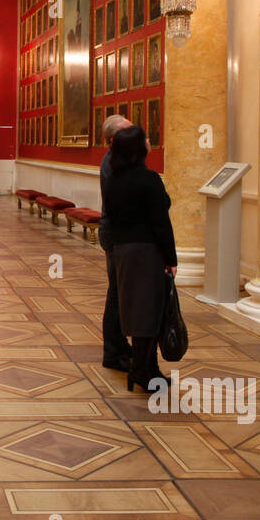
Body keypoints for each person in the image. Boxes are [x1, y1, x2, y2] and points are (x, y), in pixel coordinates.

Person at [101, 125, 177, 392]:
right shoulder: (149, 179)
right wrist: (171, 258)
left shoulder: (113, 181)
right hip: (147, 251)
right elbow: (161, 223)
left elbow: (111, 215)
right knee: (151, 310)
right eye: (146, 139)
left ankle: (144, 368)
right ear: (138, 147)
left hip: (122, 250)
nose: (149, 141)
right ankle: (144, 371)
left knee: (134, 308)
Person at [98, 113, 133, 370]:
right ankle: (113, 351)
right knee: (117, 295)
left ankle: (121, 346)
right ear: (112, 140)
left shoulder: (121, 161)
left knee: (122, 293)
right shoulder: (112, 163)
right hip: (118, 234)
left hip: (121, 233)